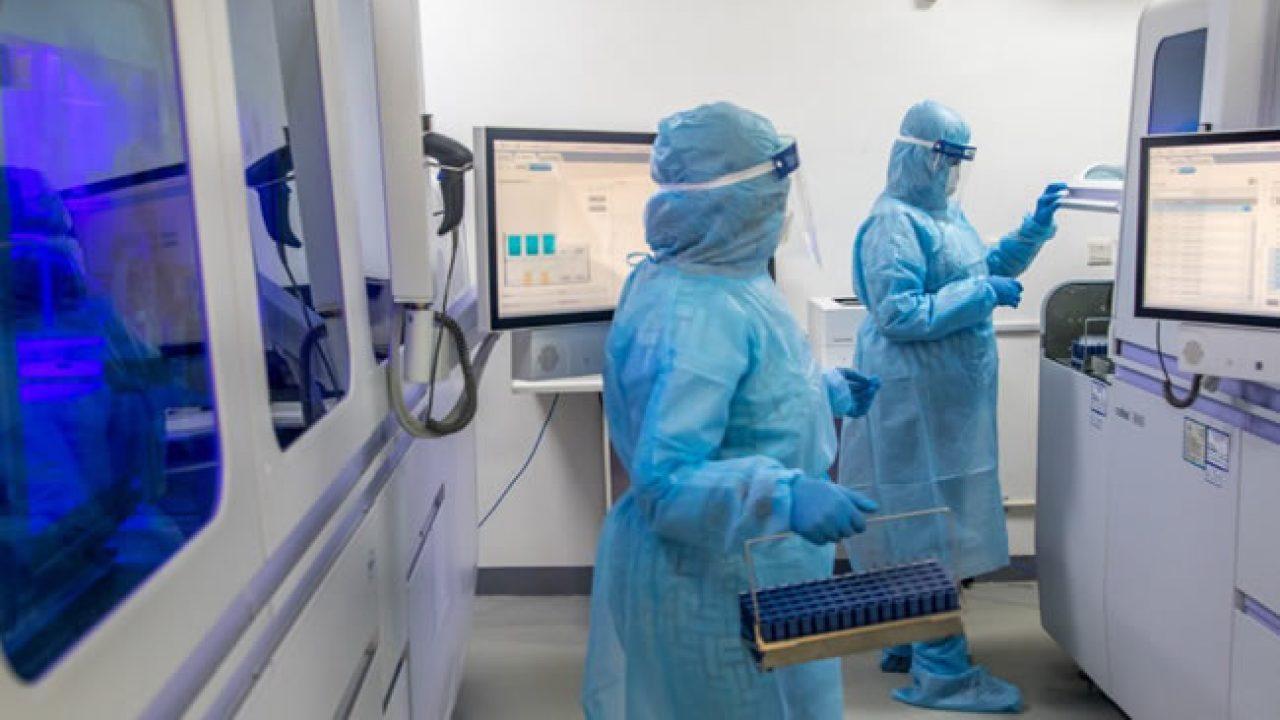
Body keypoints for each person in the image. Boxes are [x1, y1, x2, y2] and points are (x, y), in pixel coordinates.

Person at [581, 102, 880, 719]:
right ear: (734, 203)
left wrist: (822, 393)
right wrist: (784, 495)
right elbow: (667, 483)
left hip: (766, 566)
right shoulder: (697, 310)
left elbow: (752, 398)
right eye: (773, 194)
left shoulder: (725, 278)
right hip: (716, 578)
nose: (782, 209)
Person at [837, 99, 1066, 714]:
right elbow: (901, 313)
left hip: (948, 403)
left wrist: (1032, 232)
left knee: (935, 517)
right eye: (946, 160)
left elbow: (977, 269)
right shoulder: (892, 223)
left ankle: (909, 639)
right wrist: (983, 293)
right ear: (917, 156)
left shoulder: (945, 216)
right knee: (921, 525)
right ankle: (942, 672)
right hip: (912, 401)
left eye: (961, 161)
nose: (953, 173)